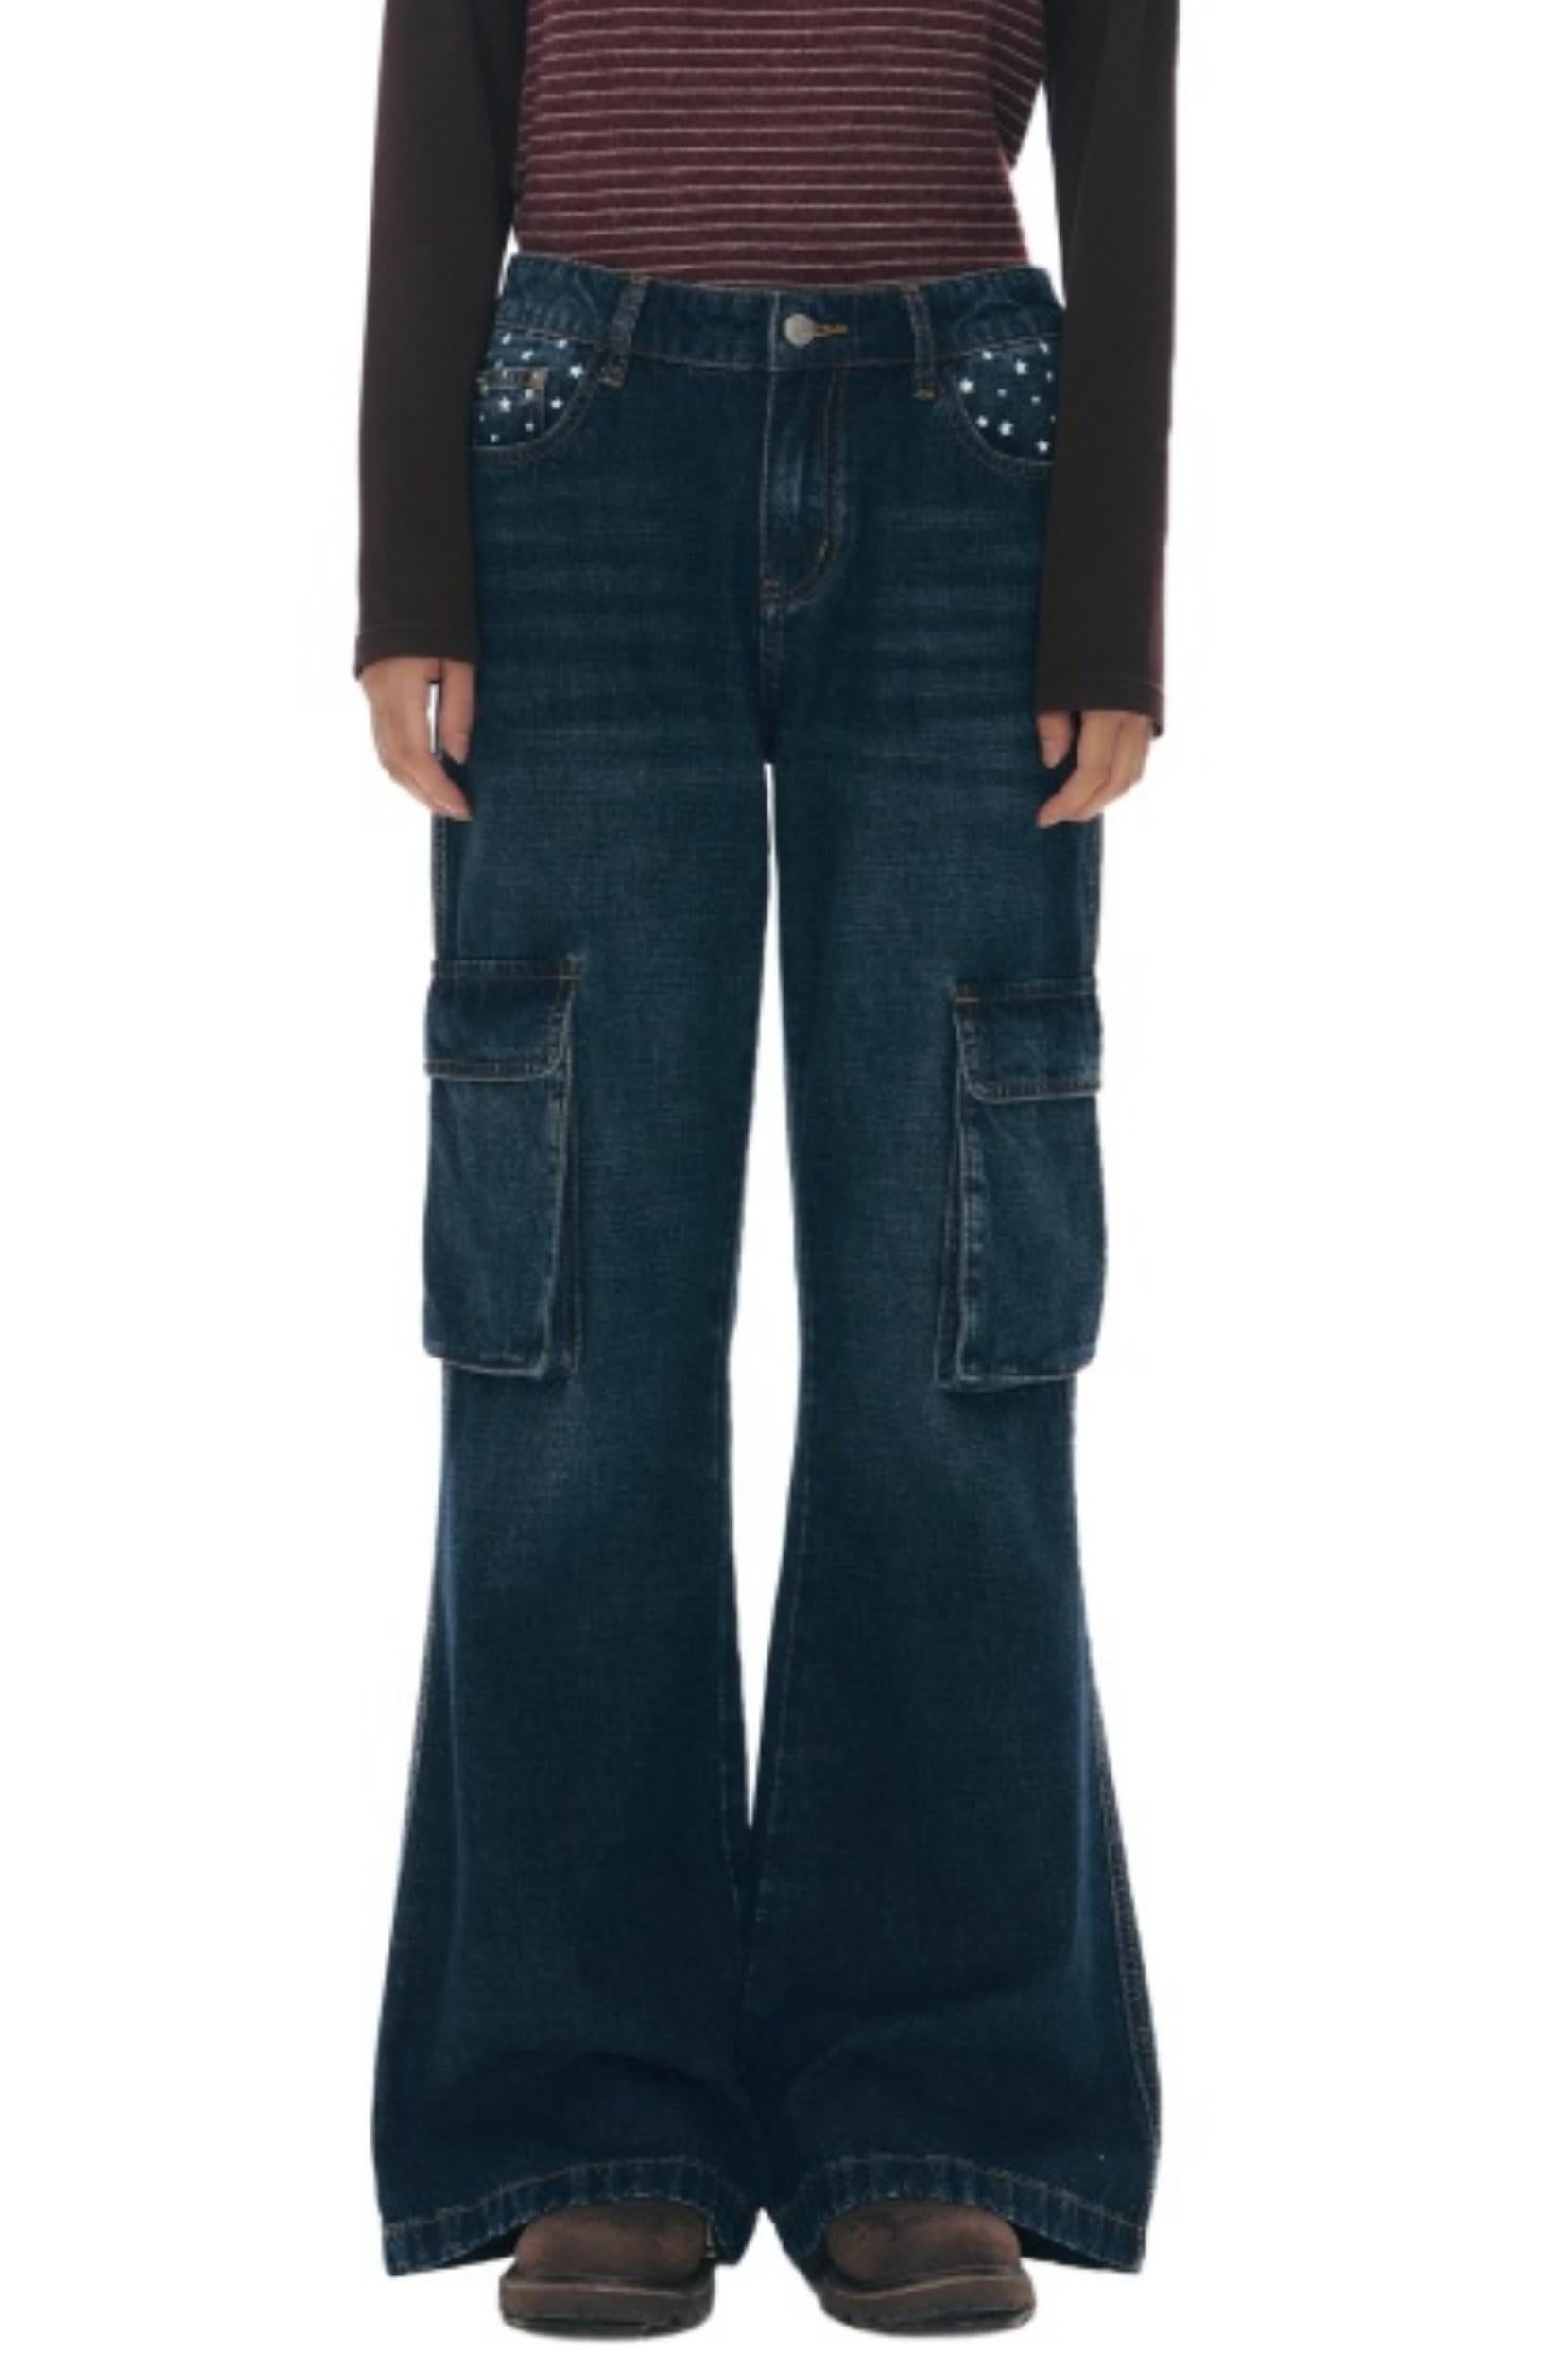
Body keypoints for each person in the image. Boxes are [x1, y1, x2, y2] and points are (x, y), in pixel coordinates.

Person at [355, 0, 1178, 2333]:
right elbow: (444, 78)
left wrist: (1102, 583)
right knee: (566, 1326)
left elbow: (1127, 117)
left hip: (966, 451)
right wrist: (410, 564)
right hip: (572, 451)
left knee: (954, 1329)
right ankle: (582, 2113)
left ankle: (935, 2107)